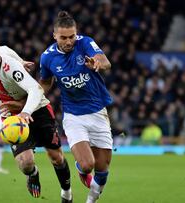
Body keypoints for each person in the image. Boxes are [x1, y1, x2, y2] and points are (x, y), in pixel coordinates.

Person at [0, 43, 73, 203]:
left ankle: (66, 193)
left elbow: (36, 89)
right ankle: (33, 174)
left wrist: (26, 111)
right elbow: (4, 48)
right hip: (12, 114)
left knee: (56, 157)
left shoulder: (10, 68)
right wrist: (21, 60)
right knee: (25, 164)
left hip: (37, 108)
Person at [39, 11, 113, 203]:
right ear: (54, 35)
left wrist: (97, 62)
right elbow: (46, 82)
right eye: (63, 37)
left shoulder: (85, 42)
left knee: (102, 170)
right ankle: (81, 169)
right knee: (88, 165)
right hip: (74, 116)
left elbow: (106, 62)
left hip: (98, 112)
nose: (69, 41)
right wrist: (33, 99)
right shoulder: (47, 57)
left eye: (72, 36)